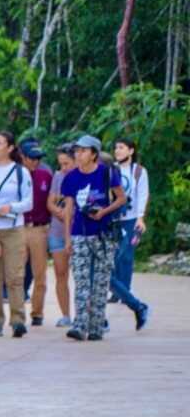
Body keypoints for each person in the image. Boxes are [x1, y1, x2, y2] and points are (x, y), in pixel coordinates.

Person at [60, 135, 128, 341]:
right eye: (77, 151)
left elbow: (122, 197)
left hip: (104, 234)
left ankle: (96, 325)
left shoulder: (106, 173)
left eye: (83, 151)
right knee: (81, 280)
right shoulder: (71, 177)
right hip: (80, 232)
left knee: (100, 280)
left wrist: (104, 211)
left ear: (94, 154)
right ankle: (79, 324)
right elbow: (69, 209)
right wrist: (68, 239)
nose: (78, 154)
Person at [0, 131, 33, 338]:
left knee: (15, 276)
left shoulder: (20, 172)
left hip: (13, 228)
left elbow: (29, 202)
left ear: (10, 148)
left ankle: (18, 319)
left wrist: (11, 207)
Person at [107, 137, 151, 329]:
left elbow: (143, 194)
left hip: (131, 220)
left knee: (125, 257)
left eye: (122, 148)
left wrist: (141, 217)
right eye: (116, 148)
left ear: (131, 151)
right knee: (113, 258)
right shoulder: (111, 170)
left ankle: (124, 292)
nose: (118, 151)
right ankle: (122, 293)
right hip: (113, 219)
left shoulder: (139, 171)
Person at [20, 142, 53, 326]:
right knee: (16, 273)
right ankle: (17, 314)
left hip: (40, 227)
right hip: (20, 227)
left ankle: (37, 313)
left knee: (40, 273)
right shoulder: (16, 175)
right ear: (23, 158)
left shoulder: (45, 175)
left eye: (39, 158)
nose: (36, 162)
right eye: (32, 158)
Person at [45, 143, 76, 327]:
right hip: (57, 231)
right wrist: (59, 212)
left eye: (66, 163)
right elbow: (50, 201)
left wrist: (70, 215)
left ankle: (84, 313)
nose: (63, 168)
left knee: (81, 276)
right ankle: (65, 314)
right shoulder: (57, 177)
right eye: (61, 164)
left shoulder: (81, 178)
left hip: (78, 232)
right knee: (60, 273)